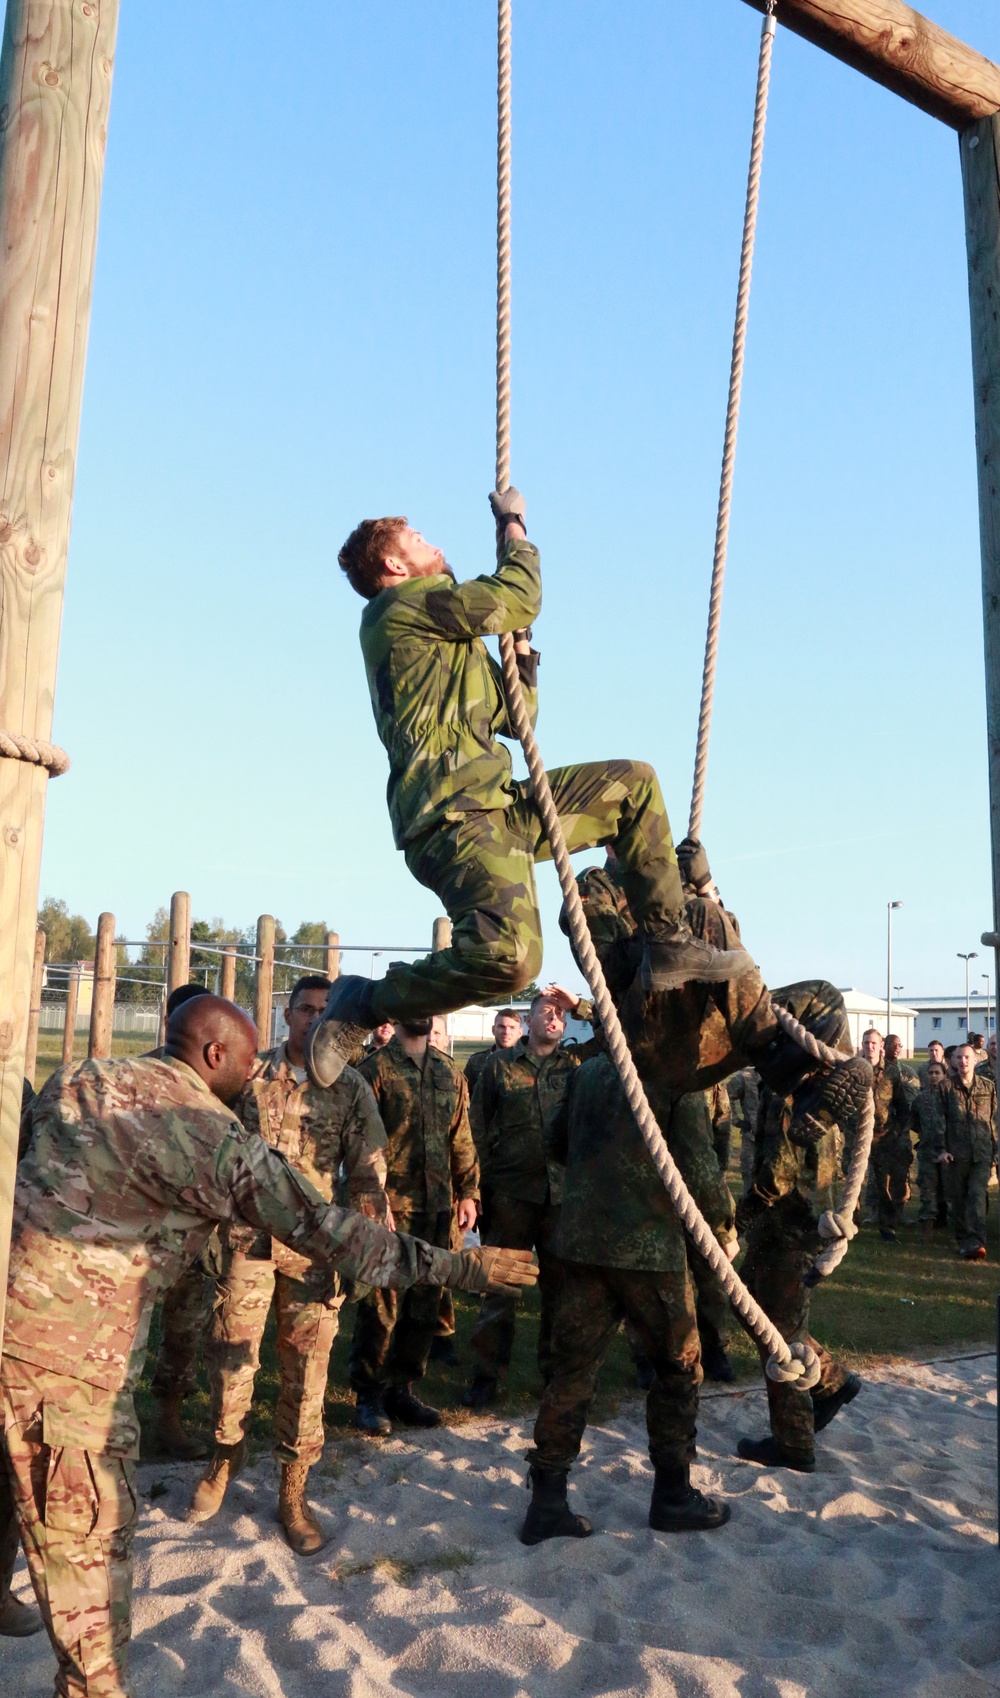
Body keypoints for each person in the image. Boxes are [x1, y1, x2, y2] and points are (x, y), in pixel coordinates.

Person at [0, 995, 534, 1698]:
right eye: (244, 1063)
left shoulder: (79, 1080)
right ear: (214, 1055)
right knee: (93, 1571)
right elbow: (332, 1232)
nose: (252, 1077)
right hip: (65, 1374)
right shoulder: (208, 1133)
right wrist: (460, 1266)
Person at [306, 493, 749, 1087]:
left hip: (500, 806)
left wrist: (521, 654)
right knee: (514, 960)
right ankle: (368, 1001)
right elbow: (518, 593)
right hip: (453, 818)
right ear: (394, 568)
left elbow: (518, 719)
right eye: (418, 542)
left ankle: (668, 942)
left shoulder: (447, 632)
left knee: (633, 785)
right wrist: (515, 527)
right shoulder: (398, 611)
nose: (435, 545)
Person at [187, 977, 391, 1553]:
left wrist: (366, 1238)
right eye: (305, 1009)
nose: (313, 1019)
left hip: (313, 1253)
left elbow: (370, 1172)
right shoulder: (249, 1075)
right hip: (246, 1243)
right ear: (286, 1013)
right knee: (231, 1359)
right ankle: (224, 1458)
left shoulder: (350, 1088)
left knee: (306, 1374)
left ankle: (293, 1491)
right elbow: (206, 1140)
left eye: (326, 1012)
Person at [521, 1047, 732, 1542]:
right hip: (649, 1252)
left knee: (570, 1372)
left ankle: (547, 1501)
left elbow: (555, 1142)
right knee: (679, 1369)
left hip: (581, 1245)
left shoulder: (588, 1071)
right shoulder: (679, 1076)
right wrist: (723, 1228)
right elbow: (700, 1169)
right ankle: (673, 1495)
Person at [463, 988, 596, 1409]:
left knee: (561, 1293)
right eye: (546, 1012)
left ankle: (555, 1378)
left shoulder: (575, 1063)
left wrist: (581, 1007)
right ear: (529, 1020)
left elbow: (619, 1035)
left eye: (561, 1014)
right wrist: (475, 1188)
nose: (554, 1019)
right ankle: (486, 1377)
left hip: (563, 1197)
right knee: (500, 1289)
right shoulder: (498, 1066)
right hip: (511, 1195)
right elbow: (477, 1130)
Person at [350, 1018, 481, 1433]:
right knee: (382, 1307)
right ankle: (368, 1396)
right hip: (391, 1209)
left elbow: (462, 1137)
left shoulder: (449, 1071)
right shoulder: (375, 1071)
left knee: (425, 1305)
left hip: (437, 1207)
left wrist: (468, 1192)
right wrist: (372, 1198)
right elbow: (360, 1141)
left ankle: (401, 1390)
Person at [737, 1064, 862, 1472]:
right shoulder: (804, 1086)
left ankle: (793, 1443)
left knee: (780, 1337)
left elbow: (779, 1173)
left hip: (789, 1231)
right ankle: (830, 1380)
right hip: (782, 1228)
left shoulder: (797, 1094)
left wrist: (735, 1223)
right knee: (750, 1307)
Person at [147, 981, 217, 1461]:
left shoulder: (222, 1078)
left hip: (195, 1231)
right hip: (143, 1227)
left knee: (185, 1330)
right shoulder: (145, 1073)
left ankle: (168, 1423)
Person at [938, 1042, 997, 1261]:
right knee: (958, 1197)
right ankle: (962, 1239)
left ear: (974, 1060)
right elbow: (938, 1120)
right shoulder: (945, 1088)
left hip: (981, 1153)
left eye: (967, 1058)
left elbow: (993, 1121)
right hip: (956, 1153)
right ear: (954, 1061)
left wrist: (996, 1149)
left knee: (977, 1195)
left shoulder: (987, 1086)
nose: (963, 1061)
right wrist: (942, 1149)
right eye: (959, 1058)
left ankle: (977, 1240)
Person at [862, 1027, 914, 1243]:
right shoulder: (856, 1069)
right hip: (861, 1136)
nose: (870, 1047)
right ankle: (850, 1223)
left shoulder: (891, 1072)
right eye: (866, 1043)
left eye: (874, 1043)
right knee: (856, 1180)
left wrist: (899, 1130)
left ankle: (887, 1227)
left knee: (886, 1183)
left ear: (881, 1046)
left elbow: (901, 1105)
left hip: (885, 1136)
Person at [909, 1060, 948, 1238]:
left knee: (949, 1189)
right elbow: (914, 1120)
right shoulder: (921, 1098)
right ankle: (927, 1228)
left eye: (937, 1073)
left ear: (944, 1075)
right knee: (927, 1188)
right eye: (931, 1073)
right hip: (927, 1150)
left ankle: (950, 1223)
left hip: (950, 1149)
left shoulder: (952, 1096)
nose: (933, 1076)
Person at [464, 1007, 523, 1097]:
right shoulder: (476, 1062)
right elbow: (464, 1096)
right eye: (501, 1026)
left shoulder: (527, 1062)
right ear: (493, 1030)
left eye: (512, 1027)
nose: (506, 1032)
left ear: (520, 1033)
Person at [728, 1065, 760, 1196]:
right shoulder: (746, 1077)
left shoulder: (783, 1075)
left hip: (776, 1138)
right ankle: (748, 1209)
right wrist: (736, 1120)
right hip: (752, 1136)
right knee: (749, 1173)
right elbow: (726, 1095)